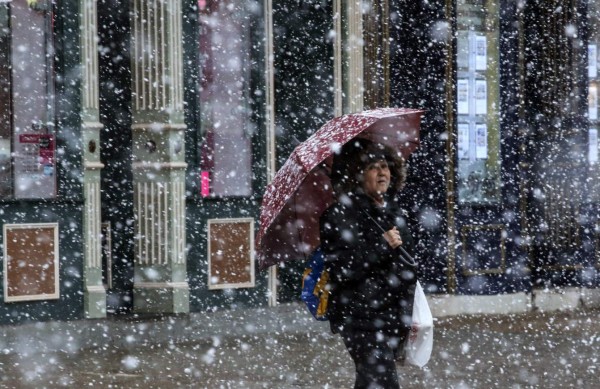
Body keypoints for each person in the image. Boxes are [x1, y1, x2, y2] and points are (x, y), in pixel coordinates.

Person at [320, 138, 417, 389]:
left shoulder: (394, 212)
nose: (382, 172)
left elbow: (406, 263)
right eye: (374, 167)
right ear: (357, 174)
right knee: (382, 382)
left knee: (370, 382)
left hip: (392, 317)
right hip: (360, 318)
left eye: (385, 166)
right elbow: (342, 269)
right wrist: (381, 246)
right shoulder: (339, 215)